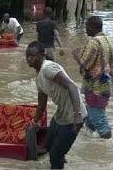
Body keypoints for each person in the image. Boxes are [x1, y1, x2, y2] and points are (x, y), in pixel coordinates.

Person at [26, 41, 87, 169]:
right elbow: (41, 104)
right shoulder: (38, 76)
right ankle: (60, 154)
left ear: (42, 55)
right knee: (47, 146)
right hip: (61, 114)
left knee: (55, 156)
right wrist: (35, 122)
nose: (29, 58)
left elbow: (72, 87)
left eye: (32, 55)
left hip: (73, 116)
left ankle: (59, 157)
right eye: (27, 55)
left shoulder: (48, 68)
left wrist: (77, 115)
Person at [72, 16, 113, 139]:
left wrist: (76, 55)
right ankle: (88, 142)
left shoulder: (93, 42)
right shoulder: (109, 40)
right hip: (107, 85)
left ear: (92, 27)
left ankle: (109, 148)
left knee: (99, 119)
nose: (85, 29)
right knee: (90, 114)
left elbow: (85, 65)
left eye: (86, 26)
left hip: (95, 87)